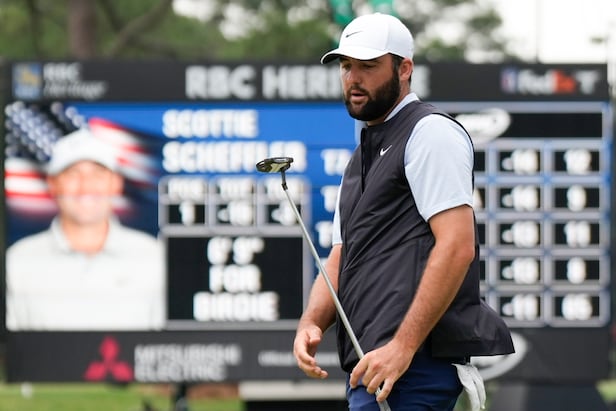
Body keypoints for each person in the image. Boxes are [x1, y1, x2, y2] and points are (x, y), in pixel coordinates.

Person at [293, 12, 514, 411]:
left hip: (412, 367)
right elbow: (341, 257)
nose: (353, 78)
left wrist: (403, 346)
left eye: (368, 66)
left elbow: (457, 246)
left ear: (404, 68)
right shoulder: (360, 158)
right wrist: (312, 320)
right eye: (346, 66)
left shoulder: (430, 132)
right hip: (374, 368)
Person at [6, 128, 165, 331]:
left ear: (116, 183)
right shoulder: (17, 261)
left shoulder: (154, 256)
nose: (86, 186)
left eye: (98, 174)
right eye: (73, 174)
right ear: (53, 184)